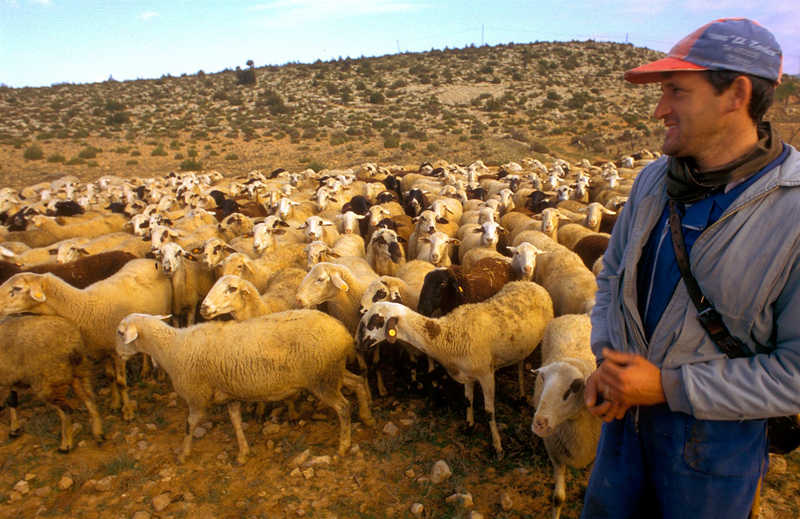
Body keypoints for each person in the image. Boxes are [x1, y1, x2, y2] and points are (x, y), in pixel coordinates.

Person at [581, 18, 800, 519]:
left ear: (735, 94)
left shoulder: (793, 211)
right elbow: (612, 277)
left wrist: (667, 388)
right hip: (623, 430)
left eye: (676, 91)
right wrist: (608, 362)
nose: (659, 109)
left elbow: (796, 372)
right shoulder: (655, 181)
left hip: (713, 453)